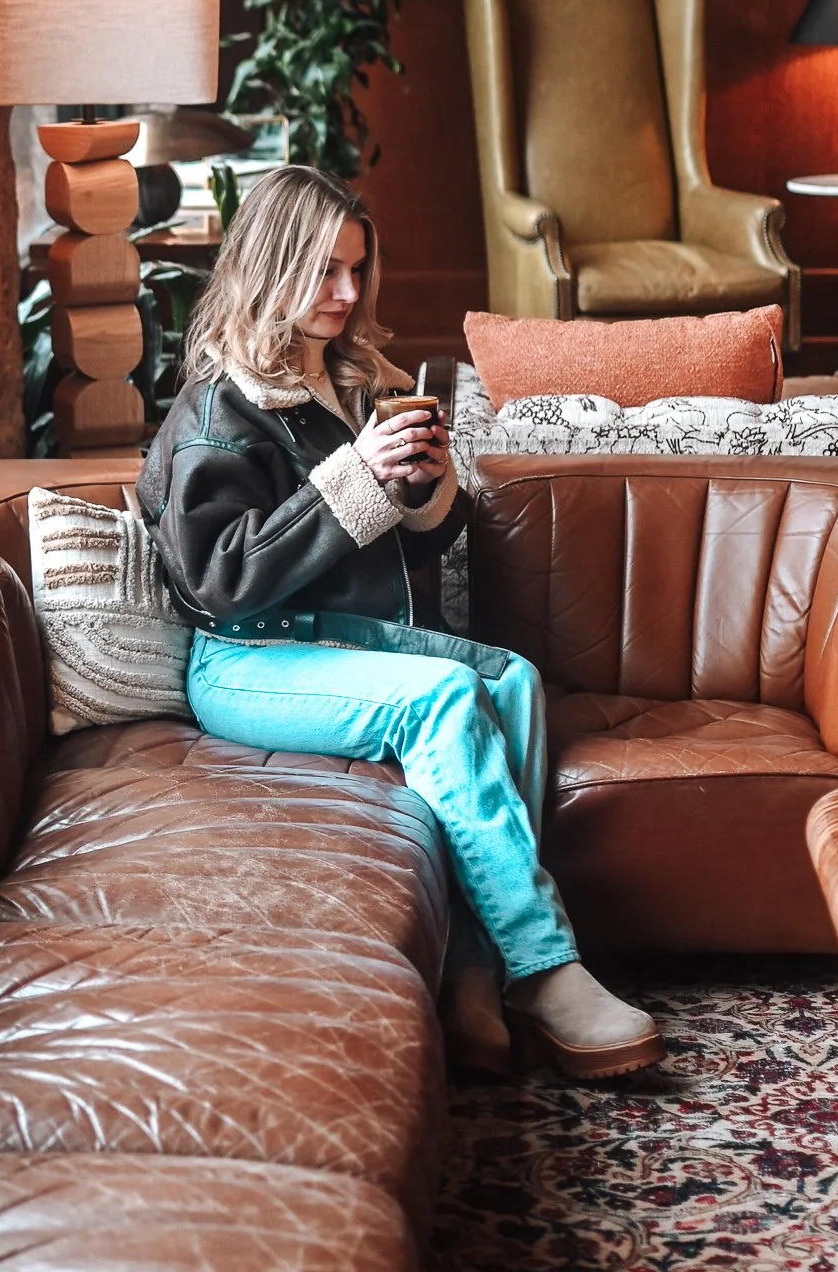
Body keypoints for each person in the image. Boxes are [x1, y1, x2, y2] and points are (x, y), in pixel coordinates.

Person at [138, 166, 663, 1080]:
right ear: (270, 265)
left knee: (512, 682)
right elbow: (222, 582)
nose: (346, 294)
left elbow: (411, 549)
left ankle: (471, 974)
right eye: (324, 272)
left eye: (355, 270)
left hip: (327, 644)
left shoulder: (353, 381)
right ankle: (544, 968)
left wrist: (420, 487)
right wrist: (352, 482)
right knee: (446, 700)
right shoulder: (218, 408)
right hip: (247, 659)